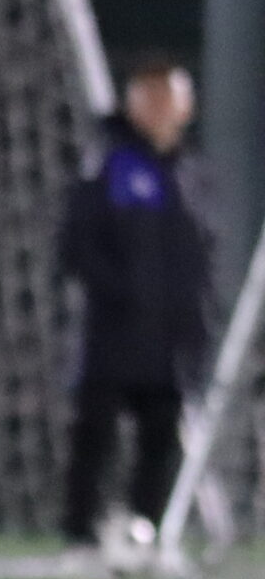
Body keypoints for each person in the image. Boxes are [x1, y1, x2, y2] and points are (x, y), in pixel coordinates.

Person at [58, 58, 212, 554]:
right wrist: (119, 295)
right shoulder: (110, 161)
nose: (162, 109)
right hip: (113, 329)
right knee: (96, 433)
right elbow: (78, 242)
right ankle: (80, 536)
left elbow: (198, 252)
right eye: (152, 97)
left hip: (170, 334)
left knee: (162, 434)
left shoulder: (189, 171)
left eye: (171, 98)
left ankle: (143, 532)